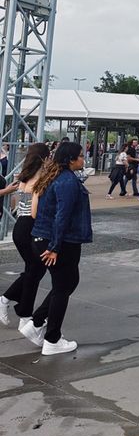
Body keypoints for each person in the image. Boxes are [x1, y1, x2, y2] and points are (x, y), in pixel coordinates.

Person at [23, 142, 93, 354]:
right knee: (63, 287)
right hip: (59, 242)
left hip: (45, 238)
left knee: (67, 283)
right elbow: (62, 216)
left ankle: (36, 323)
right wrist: (54, 247)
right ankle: (52, 339)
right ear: (71, 159)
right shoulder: (67, 181)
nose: (83, 159)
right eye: (81, 156)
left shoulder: (54, 177)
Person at [0, 144, 50, 337]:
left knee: (33, 270)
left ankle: (12, 303)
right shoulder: (39, 179)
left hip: (20, 226)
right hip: (30, 227)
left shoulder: (24, 177)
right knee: (35, 270)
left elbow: (17, 204)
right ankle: (22, 313)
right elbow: (36, 210)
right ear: (44, 158)